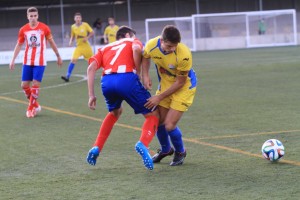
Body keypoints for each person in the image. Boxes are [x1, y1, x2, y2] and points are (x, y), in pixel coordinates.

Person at [86, 26, 159, 170]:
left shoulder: (105, 48)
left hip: (107, 82)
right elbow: (138, 50)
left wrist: (91, 95)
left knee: (115, 112)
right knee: (153, 114)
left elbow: (90, 68)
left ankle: (96, 147)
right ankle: (143, 144)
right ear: (127, 34)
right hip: (127, 79)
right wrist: (138, 73)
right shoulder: (132, 40)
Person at [142, 25, 197, 166]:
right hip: (166, 84)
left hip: (184, 87)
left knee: (169, 125)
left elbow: (180, 82)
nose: (172, 48)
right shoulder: (151, 45)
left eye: (175, 46)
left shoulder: (184, 54)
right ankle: (166, 150)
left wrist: (158, 97)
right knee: (158, 121)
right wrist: (146, 75)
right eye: (169, 45)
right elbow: (145, 57)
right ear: (161, 40)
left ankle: (180, 151)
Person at [9, 7, 62, 118]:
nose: (33, 18)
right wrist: (13, 59)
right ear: (27, 17)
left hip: (40, 61)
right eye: (31, 16)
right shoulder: (23, 29)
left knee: (35, 85)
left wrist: (58, 56)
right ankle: (36, 105)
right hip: (27, 60)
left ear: (37, 16)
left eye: (35, 16)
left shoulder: (44, 28)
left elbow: (51, 42)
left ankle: (30, 108)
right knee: (24, 85)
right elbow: (19, 45)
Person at [61, 12, 94, 82]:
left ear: (81, 18)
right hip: (79, 47)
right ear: (74, 19)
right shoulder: (73, 26)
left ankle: (92, 74)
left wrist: (87, 38)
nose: (78, 19)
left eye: (79, 18)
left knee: (92, 61)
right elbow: (72, 36)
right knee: (73, 60)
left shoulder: (85, 25)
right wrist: (70, 42)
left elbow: (92, 32)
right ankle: (67, 76)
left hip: (86, 46)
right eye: (77, 18)